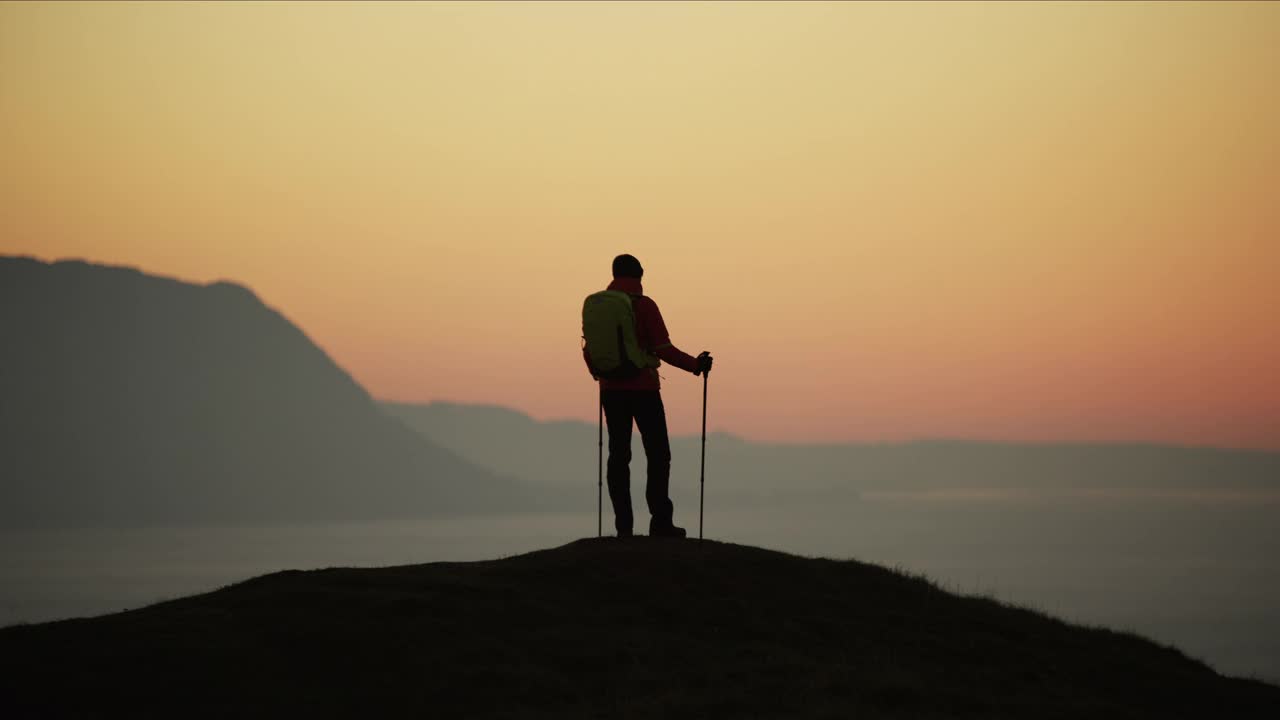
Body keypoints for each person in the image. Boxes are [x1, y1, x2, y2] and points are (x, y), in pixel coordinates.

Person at [583, 254, 713, 538]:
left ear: (614, 274)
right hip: (643, 390)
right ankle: (661, 522)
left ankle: (623, 528)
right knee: (657, 454)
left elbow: (589, 349)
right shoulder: (644, 305)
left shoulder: (598, 306)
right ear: (640, 274)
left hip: (610, 389)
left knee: (619, 456)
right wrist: (695, 365)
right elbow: (663, 349)